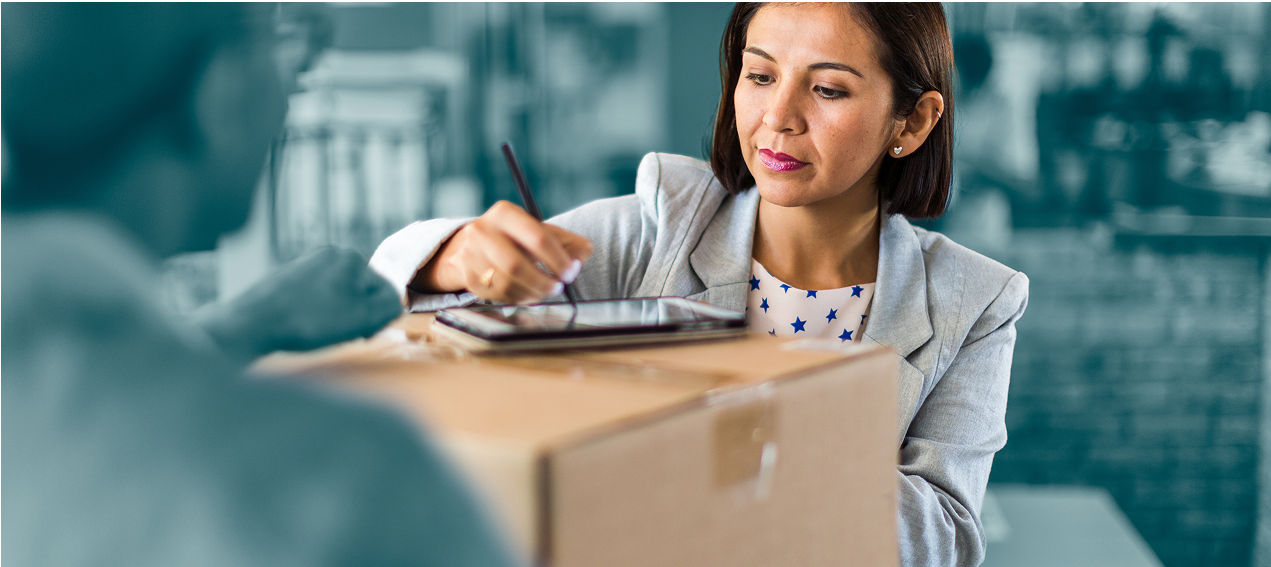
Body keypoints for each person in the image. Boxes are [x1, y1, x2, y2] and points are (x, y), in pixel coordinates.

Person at [372, 3, 1027, 565]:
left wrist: (738, 436)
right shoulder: (657, 229)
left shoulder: (973, 302)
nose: (778, 115)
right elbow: (392, 287)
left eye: (827, 89)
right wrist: (454, 255)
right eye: (760, 75)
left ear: (910, 122)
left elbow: (943, 536)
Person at [1, 3, 518, 566]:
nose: (293, 83)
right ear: (218, 95)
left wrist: (243, 324)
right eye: (276, 43)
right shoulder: (338, 486)